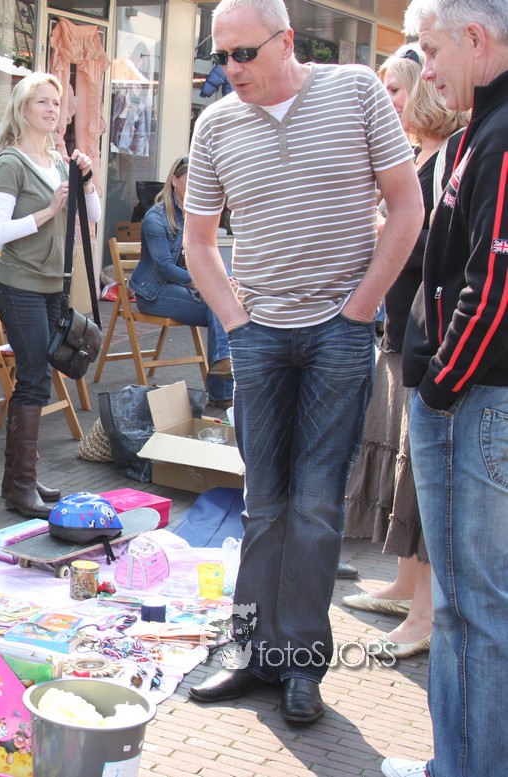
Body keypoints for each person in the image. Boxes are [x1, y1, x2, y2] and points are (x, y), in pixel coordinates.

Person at [181, 0, 422, 725]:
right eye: (219, 55)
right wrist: (236, 323)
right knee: (262, 502)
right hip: (260, 334)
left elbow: (407, 206)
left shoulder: (355, 91)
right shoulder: (214, 125)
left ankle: (299, 665)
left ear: (287, 41)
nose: (229, 69)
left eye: (244, 53)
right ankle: (249, 649)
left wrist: (360, 308)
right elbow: (198, 242)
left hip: (338, 336)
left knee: (316, 505)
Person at [382, 1, 508, 775]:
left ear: (476, 38)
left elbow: (493, 282)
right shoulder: (482, 129)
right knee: (470, 608)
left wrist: (438, 388)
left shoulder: (499, 134)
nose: (424, 68)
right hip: (471, 398)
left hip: (471, 401)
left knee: (472, 610)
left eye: (430, 50)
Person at [342, 44, 467, 662]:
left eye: (394, 89)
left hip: (428, 339)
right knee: (399, 464)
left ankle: (424, 615)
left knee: (420, 472)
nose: (386, 100)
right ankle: (404, 586)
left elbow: (438, 249)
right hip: (401, 334)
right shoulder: (419, 155)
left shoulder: (451, 154)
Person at [0, 73, 99, 518]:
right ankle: (22, 486)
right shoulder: (9, 163)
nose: (53, 110)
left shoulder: (57, 160)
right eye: (42, 102)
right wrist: (50, 210)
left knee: (39, 377)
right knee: (33, 380)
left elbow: (92, 215)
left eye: (57, 103)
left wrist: (86, 181)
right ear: (22, 109)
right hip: (21, 286)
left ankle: (18, 480)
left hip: (53, 286)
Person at [128, 155, 233, 407]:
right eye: (189, 179)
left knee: (225, 301)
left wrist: (226, 278)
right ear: (174, 180)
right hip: (153, 293)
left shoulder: (196, 215)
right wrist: (207, 282)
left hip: (181, 287)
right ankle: (222, 390)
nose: (196, 185)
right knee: (219, 304)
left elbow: (209, 253)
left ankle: (223, 368)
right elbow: (166, 268)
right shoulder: (155, 218)